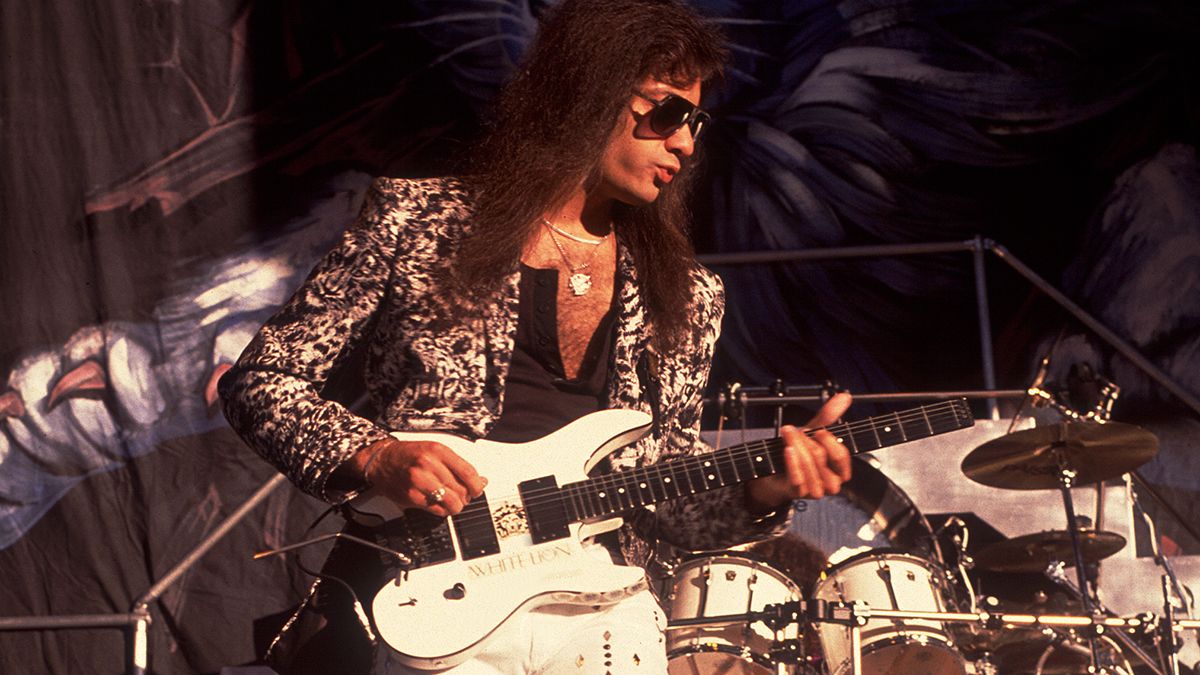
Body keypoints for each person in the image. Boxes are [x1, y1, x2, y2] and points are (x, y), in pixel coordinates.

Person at [219, 0, 852, 672]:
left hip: (601, 606)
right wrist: (373, 457)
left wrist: (763, 490)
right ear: (589, 90)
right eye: (666, 112)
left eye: (696, 122)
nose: (686, 143)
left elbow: (669, 505)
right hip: (431, 594)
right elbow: (262, 381)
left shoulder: (688, 295)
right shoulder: (417, 220)